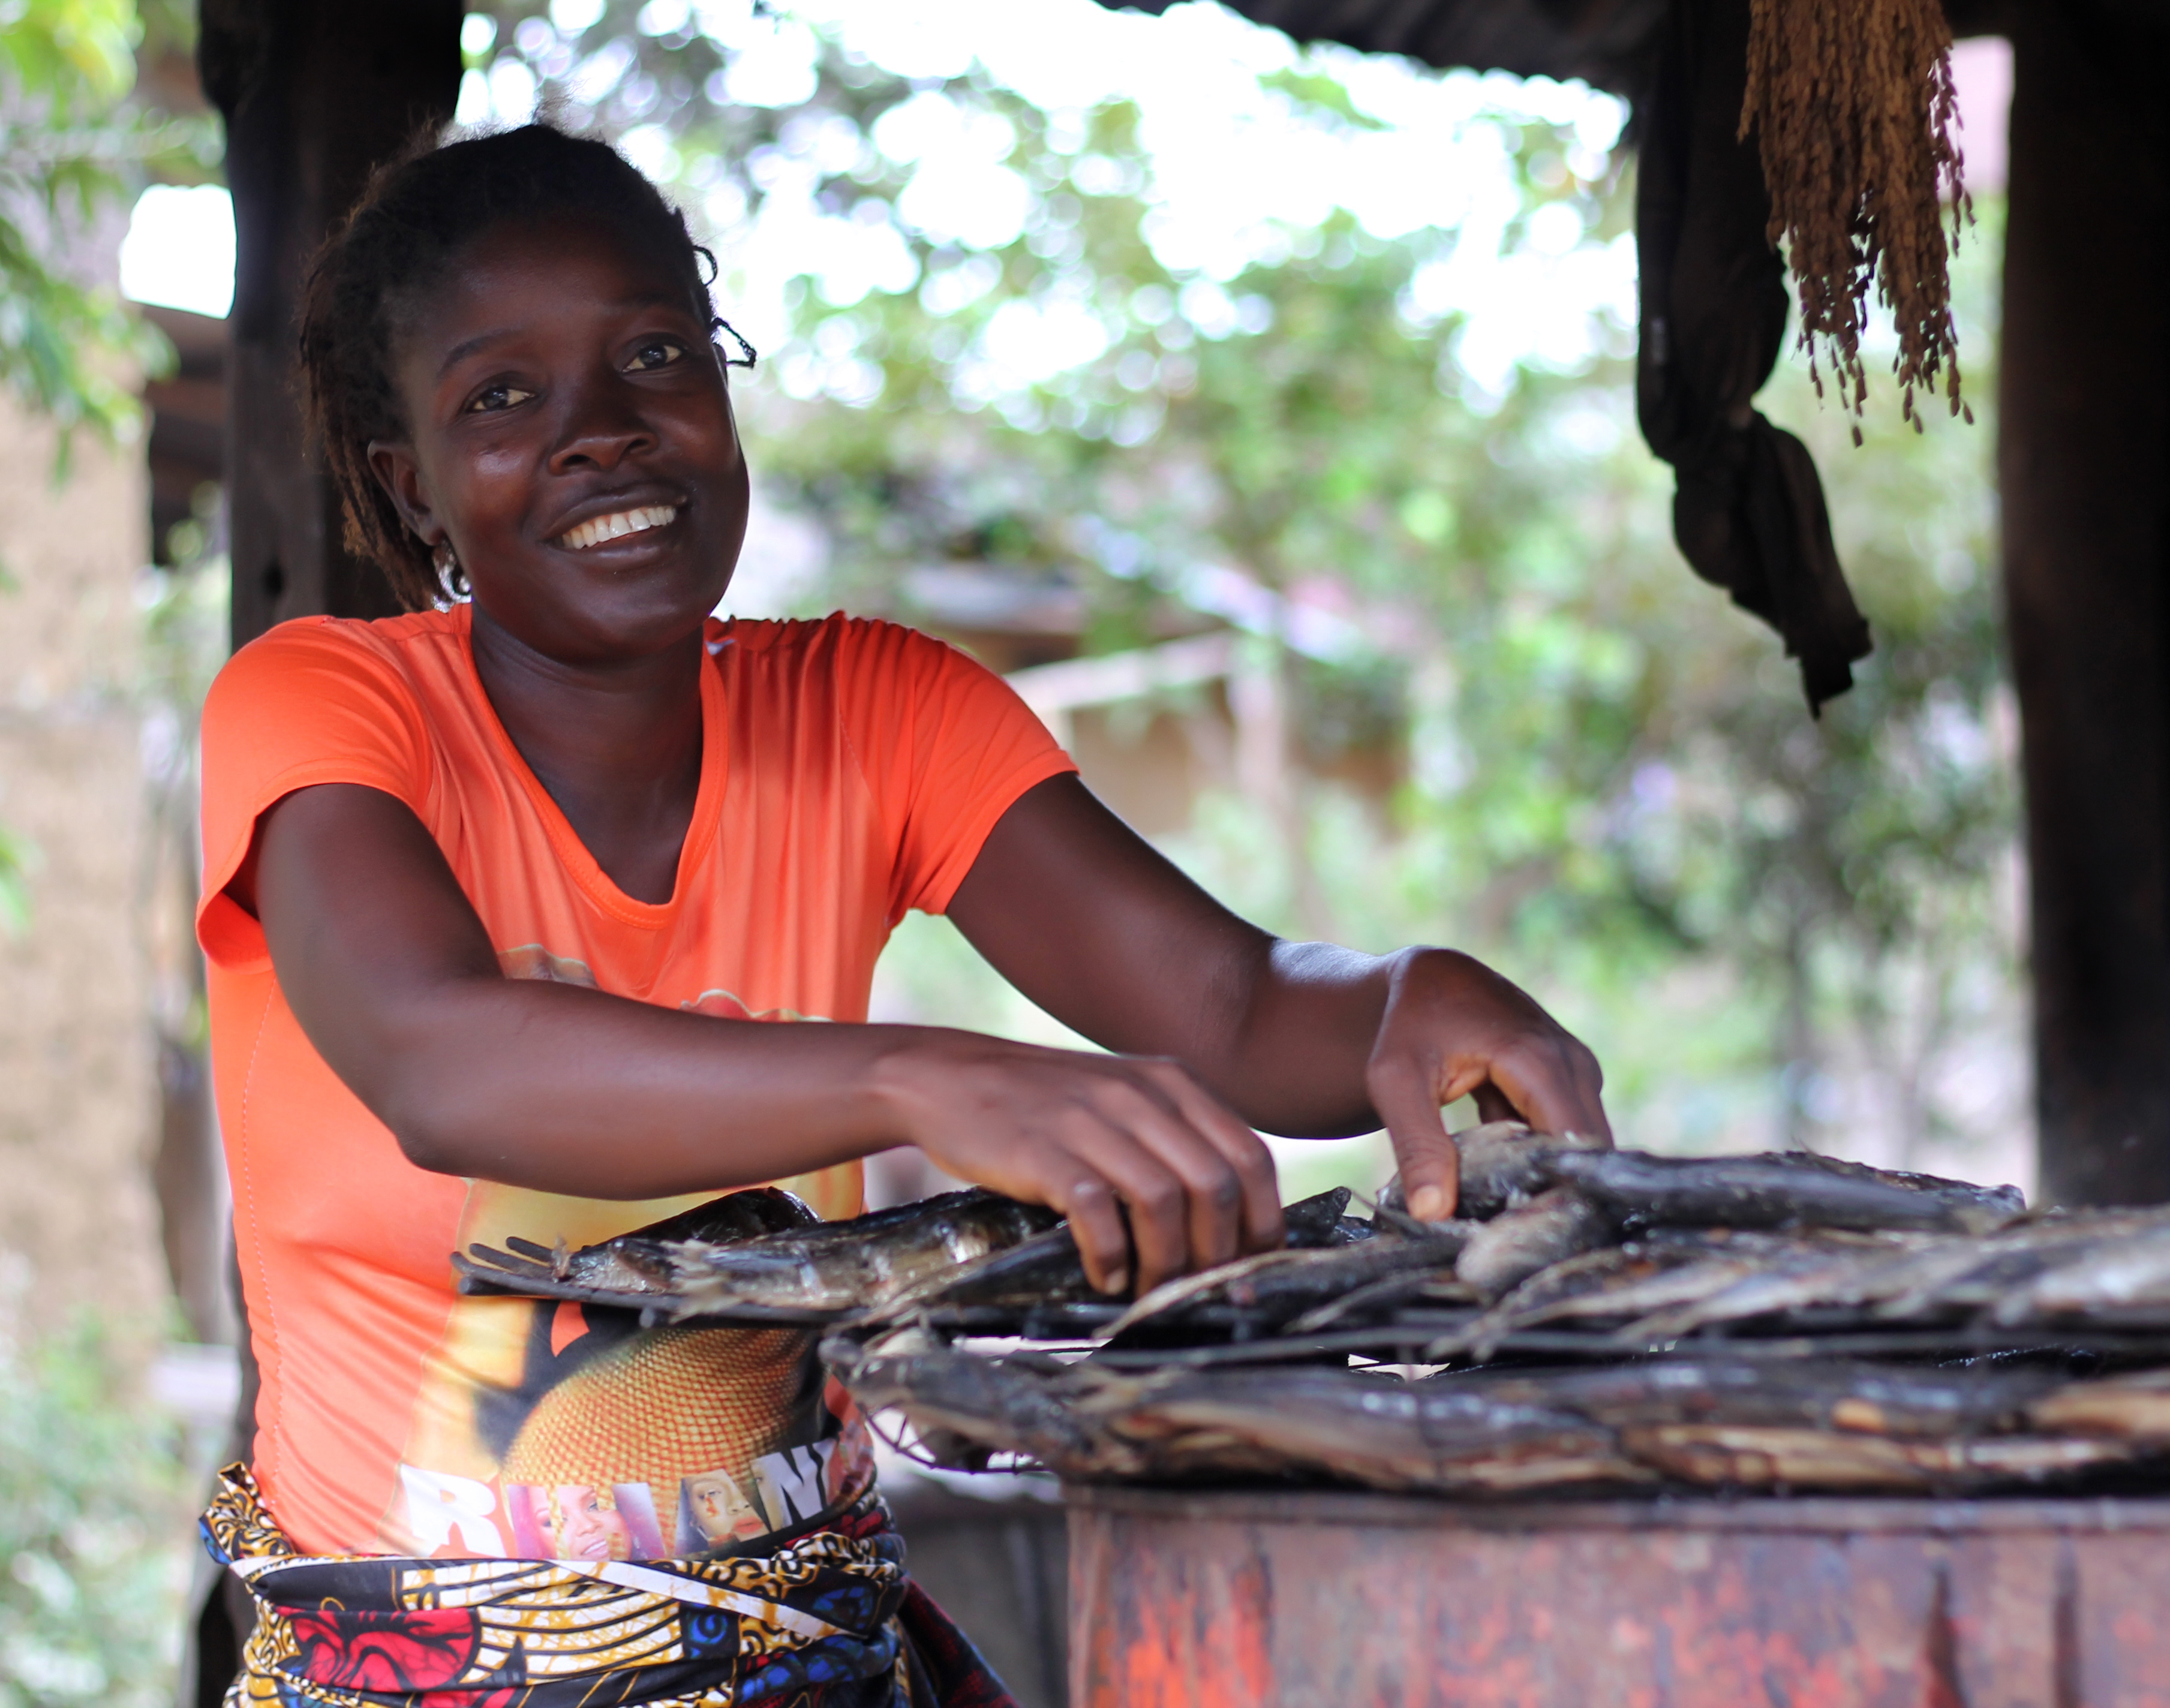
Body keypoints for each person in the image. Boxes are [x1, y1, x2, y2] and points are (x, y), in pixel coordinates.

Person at [194, 121, 1609, 1707]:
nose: (602, 430)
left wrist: (1400, 997)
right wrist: (924, 1075)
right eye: (502, 398)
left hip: (827, 1655)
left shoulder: (876, 708)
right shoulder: (320, 705)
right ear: (415, 485)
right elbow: (434, 1061)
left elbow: (1228, 1005)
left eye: (655, 354)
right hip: (411, 1674)